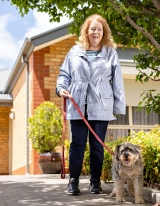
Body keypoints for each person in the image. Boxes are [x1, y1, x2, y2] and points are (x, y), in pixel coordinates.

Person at [56, 14, 126, 195]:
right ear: (86, 31)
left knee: (97, 145)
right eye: (92, 29)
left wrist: (118, 107)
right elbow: (64, 74)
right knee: (77, 144)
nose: (95, 32)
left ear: (104, 33)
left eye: (99, 29)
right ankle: (73, 181)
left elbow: (117, 82)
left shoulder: (110, 53)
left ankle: (95, 182)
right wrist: (61, 88)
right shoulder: (74, 51)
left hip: (101, 105)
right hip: (77, 103)